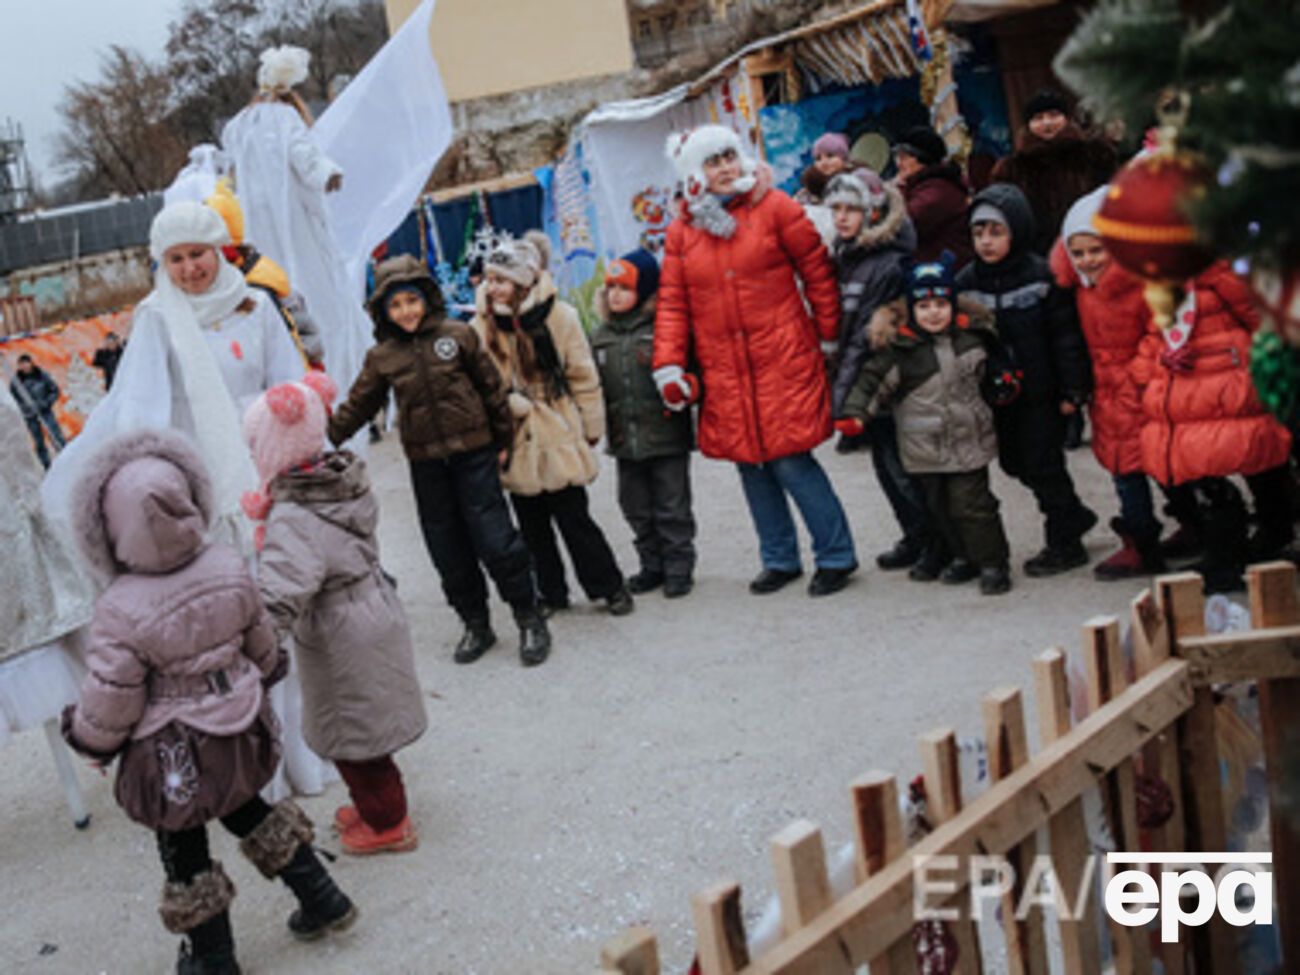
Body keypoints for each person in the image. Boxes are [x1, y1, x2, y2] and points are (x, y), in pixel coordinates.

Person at [41, 199, 329, 800]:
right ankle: (258, 774)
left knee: (279, 621)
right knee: (232, 630)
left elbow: (288, 385)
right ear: (162, 263)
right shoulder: (157, 319)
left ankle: (301, 756)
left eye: (198, 253)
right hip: (203, 492)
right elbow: (141, 407)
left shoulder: (256, 305)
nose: (190, 268)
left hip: (266, 469)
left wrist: (295, 444)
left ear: (219, 250)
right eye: (176, 259)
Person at [61, 428, 354, 974]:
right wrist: (263, 676)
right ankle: (323, 898)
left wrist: (88, 736)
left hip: (171, 754)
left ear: (108, 527)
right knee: (251, 811)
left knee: (184, 850)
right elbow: (261, 642)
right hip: (236, 728)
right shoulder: (226, 565)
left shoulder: (119, 608)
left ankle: (214, 959)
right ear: (188, 499)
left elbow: (113, 697)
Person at [655, 124, 858, 597]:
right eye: (713, 161)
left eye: (730, 156)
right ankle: (780, 558)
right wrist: (668, 365)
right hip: (725, 366)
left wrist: (827, 336)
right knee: (750, 463)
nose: (726, 168)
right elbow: (672, 304)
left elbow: (817, 273)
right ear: (694, 173)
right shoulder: (683, 230)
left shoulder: (775, 206)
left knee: (790, 459)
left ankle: (835, 555)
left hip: (782, 355)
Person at [329, 255, 552, 665]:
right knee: (447, 548)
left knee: (496, 539)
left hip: (474, 456)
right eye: (395, 306)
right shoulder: (383, 357)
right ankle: (475, 623)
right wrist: (323, 437)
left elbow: (491, 390)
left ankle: (529, 615)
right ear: (383, 311)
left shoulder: (458, 335)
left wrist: (502, 440)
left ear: (426, 299)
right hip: (426, 465)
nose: (405, 312)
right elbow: (359, 405)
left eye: (411, 301)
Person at [244, 374, 427, 855]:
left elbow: (283, 589)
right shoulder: (337, 481)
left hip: (341, 629)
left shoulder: (294, 516)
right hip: (369, 608)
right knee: (369, 724)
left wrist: (257, 643)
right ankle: (377, 807)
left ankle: (388, 823)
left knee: (355, 735)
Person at [472, 232, 635, 617]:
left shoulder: (560, 316)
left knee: (574, 517)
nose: (493, 287)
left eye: (501, 279)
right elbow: (480, 385)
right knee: (530, 525)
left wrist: (591, 424)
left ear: (524, 280)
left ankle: (607, 585)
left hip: (557, 425)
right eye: (490, 279)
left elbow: (581, 373)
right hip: (515, 434)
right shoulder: (480, 326)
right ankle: (551, 592)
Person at [838, 258, 1012, 595]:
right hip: (924, 447)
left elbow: (996, 368)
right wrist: (856, 413)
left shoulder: (973, 338)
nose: (934, 312)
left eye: (941, 304)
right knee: (939, 509)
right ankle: (961, 557)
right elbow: (871, 383)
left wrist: (1004, 383)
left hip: (968, 441)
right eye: (924, 305)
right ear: (911, 309)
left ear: (953, 303)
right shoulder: (901, 350)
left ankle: (992, 561)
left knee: (974, 506)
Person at [956, 183, 1098, 576]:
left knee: (1044, 463)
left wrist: (1073, 389)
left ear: (1016, 230)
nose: (986, 242)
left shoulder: (1040, 275)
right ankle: (1074, 513)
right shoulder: (968, 281)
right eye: (978, 233)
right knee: (1015, 463)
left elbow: (1066, 337)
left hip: (1042, 393)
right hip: (999, 397)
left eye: (996, 232)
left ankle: (1065, 538)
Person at [1129, 262, 1294, 593]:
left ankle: (1270, 537)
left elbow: (1262, 317)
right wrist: (1153, 366)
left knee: (1256, 458)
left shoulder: (1225, 272)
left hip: (1232, 380)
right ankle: (1226, 553)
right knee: (1203, 471)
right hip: (1183, 386)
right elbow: (1153, 331)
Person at [221, 45, 373, 399]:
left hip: (259, 231)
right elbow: (303, 152)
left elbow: (229, 170)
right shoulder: (285, 119)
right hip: (294, 224)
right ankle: (337, 381)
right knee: (320, 300)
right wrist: (326, 173)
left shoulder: (238, 126)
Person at [1052, 187, 1168, 578]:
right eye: (1079, 253)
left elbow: (1159, 327)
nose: (1088, 260)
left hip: (1142, 388)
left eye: (1096, 250)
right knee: (1124, 468)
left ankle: (1186, 521)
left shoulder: (1138, 282)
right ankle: (1141, 536)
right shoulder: (1082, 290)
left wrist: (1138, 375)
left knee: (1161, 463)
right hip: (1107, 393)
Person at [824, 170, 934, 572]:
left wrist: (848, 393)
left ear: (872, 213)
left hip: (887, 382)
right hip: (865, 382)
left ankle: (933, 541)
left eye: (851, 209)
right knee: (885, 468)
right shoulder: (847, 255)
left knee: (904, 469)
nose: (841, 217)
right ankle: (914, 535)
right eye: (835, 208)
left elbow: (863, 338)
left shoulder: (886, 263)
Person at [591, 249, 697, 598]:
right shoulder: (600, 337)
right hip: (625, 439)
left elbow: (692, 370)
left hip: (665, 435)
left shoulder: (663, 331)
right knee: (634, 505)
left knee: (672, 505)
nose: (615, 294)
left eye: (624, 287)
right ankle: (651, 565)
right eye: (610, 288)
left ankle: (679, 567)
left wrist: (688, 387)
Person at [989, 88, 1118, 257]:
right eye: (1038, 118)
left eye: (1053, 115)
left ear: (1067, 118)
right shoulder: (1011, 169)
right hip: (1038, 258)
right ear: (1028, 125)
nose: (1047, 123)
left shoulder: (1095, 155)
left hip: (1093, 250)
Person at [893, 125, 972, 268]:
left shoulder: (937, 192)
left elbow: (901, 224)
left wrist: (898, 189)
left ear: (923, 158)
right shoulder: (923, 187)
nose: (899, 164)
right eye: (898, 157)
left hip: (945, 275)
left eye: (904, 157)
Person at [9, 354, 66, 469]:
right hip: (30, 416)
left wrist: (45, 403)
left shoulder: (41, 375)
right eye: (21, 364)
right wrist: (26, 408)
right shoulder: (16, 382)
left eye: (26, 363)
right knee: (39, 441)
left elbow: (54, 390)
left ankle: (66, 458)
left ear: (31, 363)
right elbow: (14, 401)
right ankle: (47, 466)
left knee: (56, 436)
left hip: (45, 412)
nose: (24, 366)